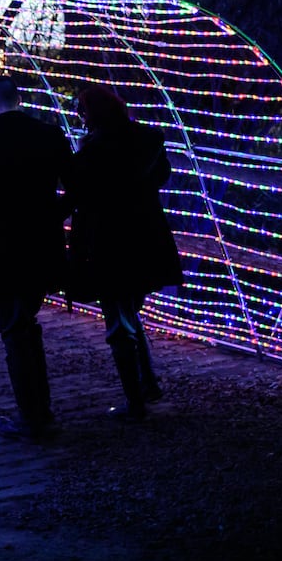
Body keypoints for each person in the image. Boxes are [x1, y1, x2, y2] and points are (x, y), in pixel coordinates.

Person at [0, 73, 73, 442]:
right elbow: (75, 187)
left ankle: (34, 417)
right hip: (43, 245)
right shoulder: (50, 135)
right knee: (25, 320)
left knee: (15, 330)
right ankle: (38, 411)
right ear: (19, 99)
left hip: (5, 248)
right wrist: (52, 218)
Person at [66, 83, 183, 421]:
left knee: (119, 321)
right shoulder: (149, 141)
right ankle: (147, 384)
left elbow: (78, 194)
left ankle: (136, 402)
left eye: (82, 112)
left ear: (94, 115)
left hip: (109, 243)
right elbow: (162, 177)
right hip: (146, 238)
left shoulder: (93, 152)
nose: (80, 118)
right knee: (130, 312)